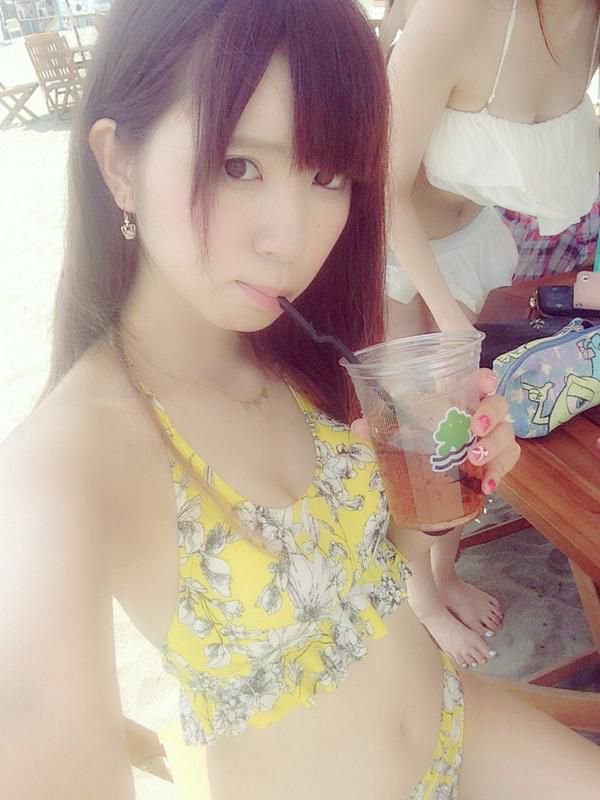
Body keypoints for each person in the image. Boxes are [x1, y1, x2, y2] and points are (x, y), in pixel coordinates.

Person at [1, 1, 597, 798]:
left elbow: (374, 573)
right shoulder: (62, 465)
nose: (290, 238)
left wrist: (443, 484)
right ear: (120, 165)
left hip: (460, 725)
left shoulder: (301, 351)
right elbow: (39, 735)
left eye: (327, 176)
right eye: (238, 165)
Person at [378, 0, 600, 667]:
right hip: (395, 250)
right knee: (415, 440)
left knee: (467, 430)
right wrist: (450, 323)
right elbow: (382, 185)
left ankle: (444, 574)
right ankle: (421, 596)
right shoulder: (460, 13)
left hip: (472, 240)